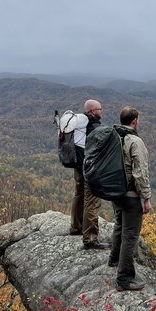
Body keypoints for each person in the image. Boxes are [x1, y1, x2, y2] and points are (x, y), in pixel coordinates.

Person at [109, 106, 153, 291]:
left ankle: (114, 259)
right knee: (130, 235)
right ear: (134, 121)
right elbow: (140, 173)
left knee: (120, 224)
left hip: (115, 192)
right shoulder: (135, 141)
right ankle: (124, 279)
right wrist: (146, 198)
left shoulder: (113, 137)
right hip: (130, 195)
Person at [69, 99, 109, 249]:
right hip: (89, 167)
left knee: (78, 194)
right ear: (92, 111)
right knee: (92, 200)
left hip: (77, 164)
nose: (101, 111)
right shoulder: (94, 126)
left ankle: (75, 227)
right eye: (100, 109)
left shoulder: (79, 123)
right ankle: (90, 238)